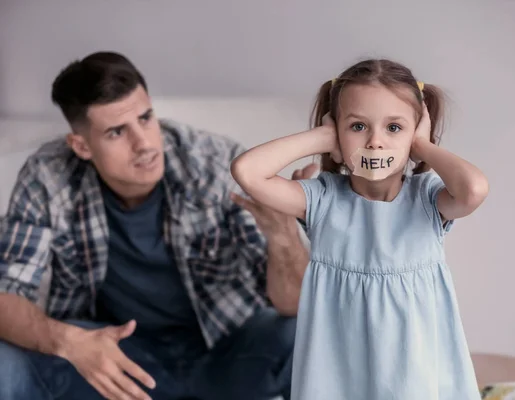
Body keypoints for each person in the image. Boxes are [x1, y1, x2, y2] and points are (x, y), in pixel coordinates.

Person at [0, 51, 316, 400]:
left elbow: (294, 305)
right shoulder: (48, 176)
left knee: (305, 333)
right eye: (117, 132)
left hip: (223, 353)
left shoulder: (214, 163)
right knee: (6, 361)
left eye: (146, 117)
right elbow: (6, 294)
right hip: (116, 361)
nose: (145, 144)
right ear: (81, 146)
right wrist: (68, 342)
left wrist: (283, 233)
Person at [231, 58, 490, 399]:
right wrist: (322, 138)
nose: (375, 142)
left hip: (414, 366)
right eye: (357, 127)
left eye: (394, 128)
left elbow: (474, 189)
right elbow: (247, 171)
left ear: (415, 132)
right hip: (340, 365)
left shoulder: (427, 199)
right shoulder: (322, 199)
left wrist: (423, 147)